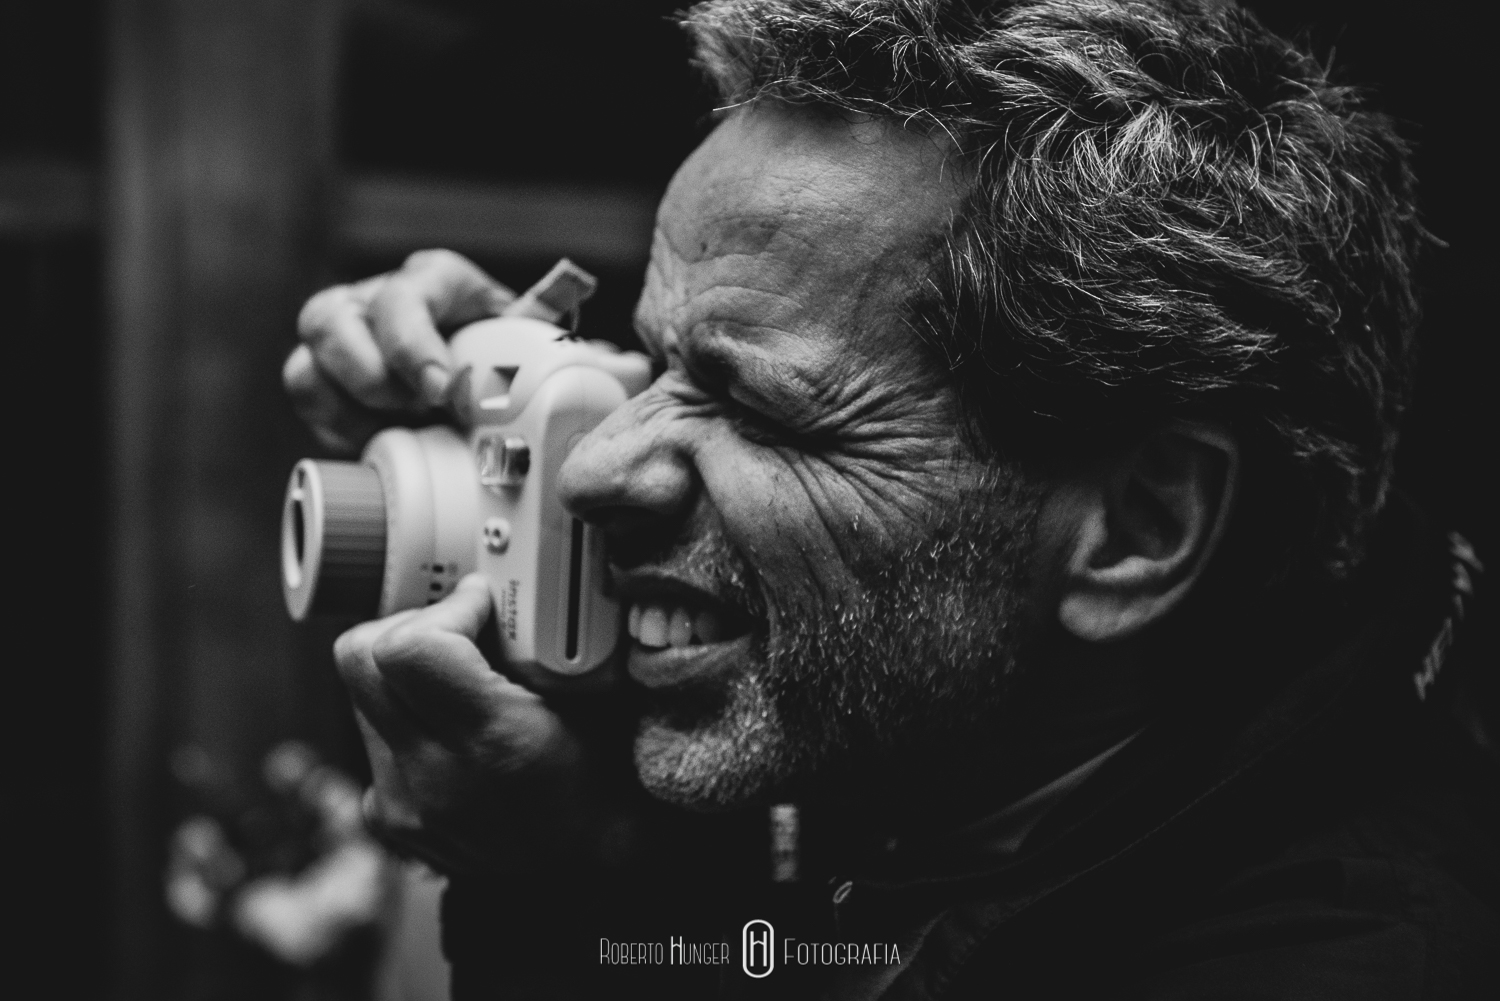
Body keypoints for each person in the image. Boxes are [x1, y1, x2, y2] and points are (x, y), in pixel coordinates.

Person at [283, 1, 1498, 997]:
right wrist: (478, 410)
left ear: (1140, 527)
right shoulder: (931, 731)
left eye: (761, 408)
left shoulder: (1342, 962)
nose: (596, 470)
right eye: (655, 367)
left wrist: (558, 910)